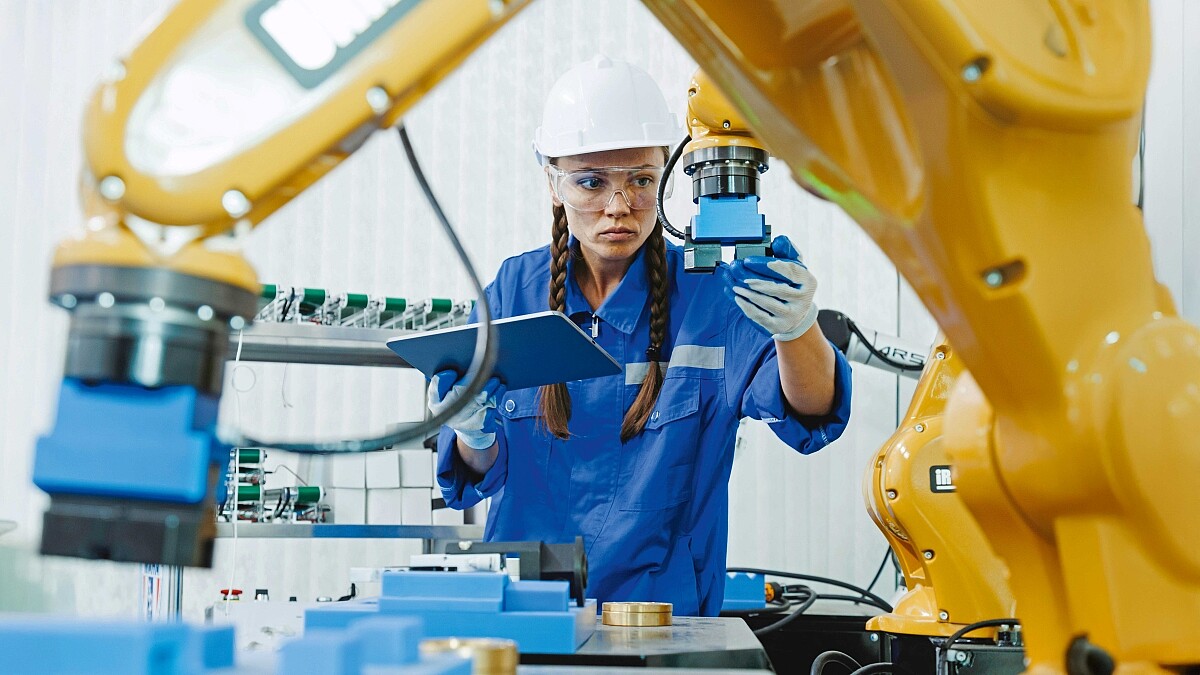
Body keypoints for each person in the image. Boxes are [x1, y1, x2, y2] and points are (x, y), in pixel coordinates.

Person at [430, 55, 851, 616]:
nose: (619, 206)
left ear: (665, 177)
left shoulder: (710, 298)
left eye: (641, 181)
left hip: (663, 627)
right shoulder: (514, 291)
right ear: (553, 182)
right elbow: (479, 474)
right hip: (527, 619)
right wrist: (473, 437)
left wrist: (799, 329)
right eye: (591, 182)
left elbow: (813, 409)